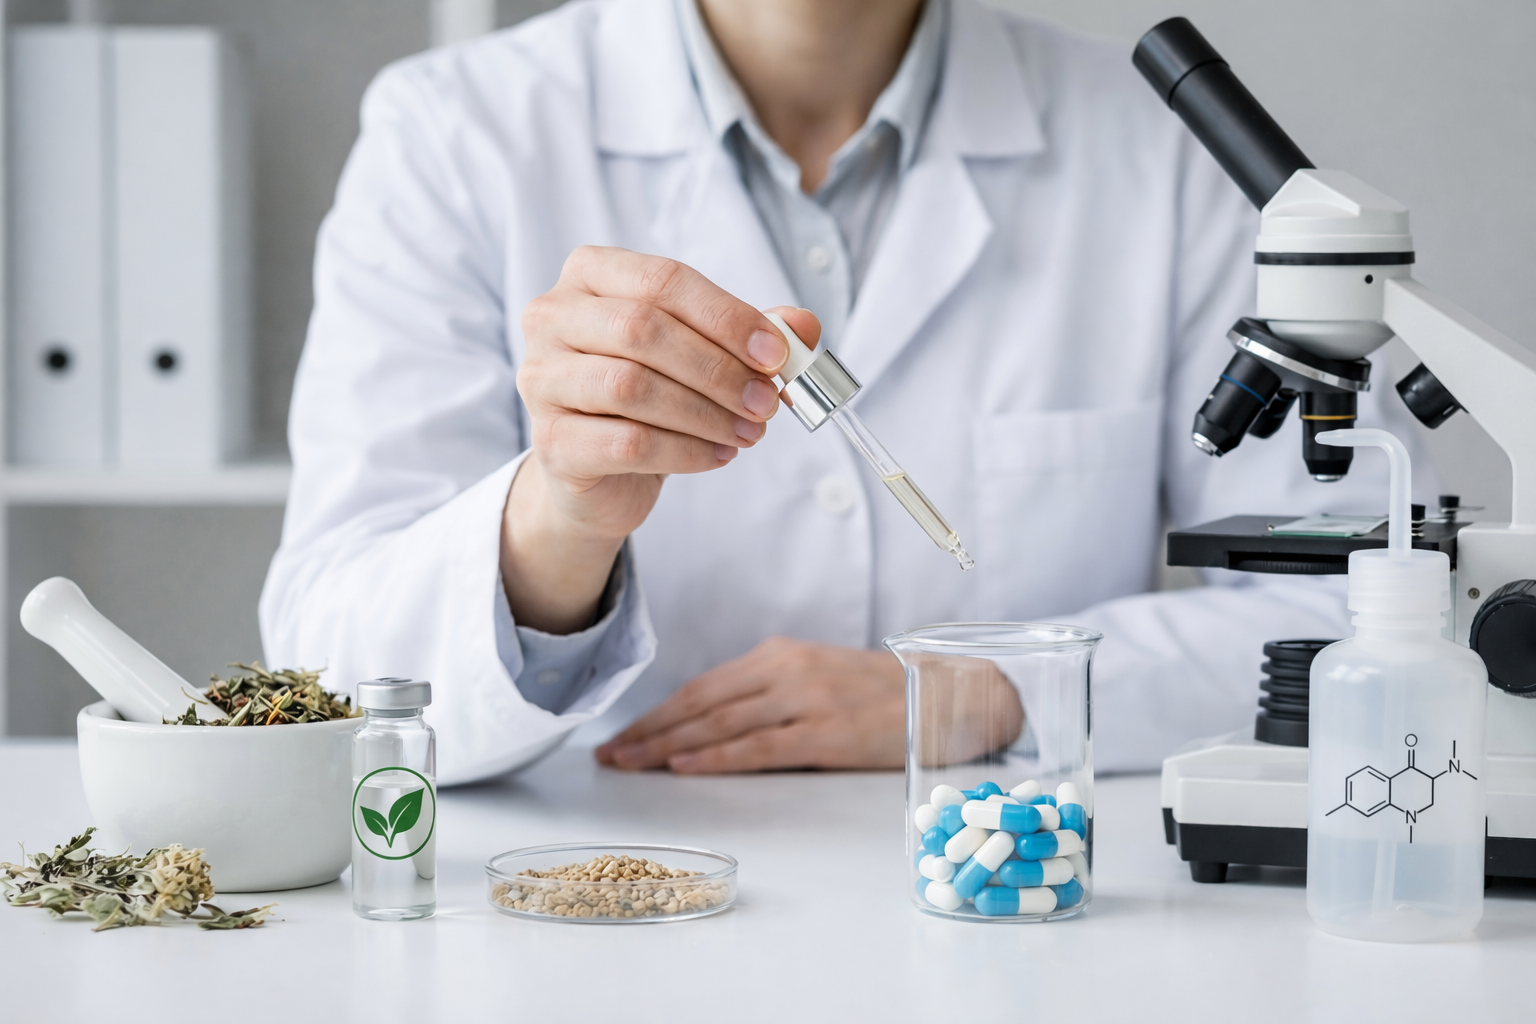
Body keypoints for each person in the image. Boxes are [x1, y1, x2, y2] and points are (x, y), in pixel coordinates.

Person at [260, 0, 1435, 785]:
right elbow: (336, 677)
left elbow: (1377, 610)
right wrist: (558, 519)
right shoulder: (455, 134)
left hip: (1032, 914)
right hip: (597, 914)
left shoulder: (1157, 148)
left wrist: (997, 693)